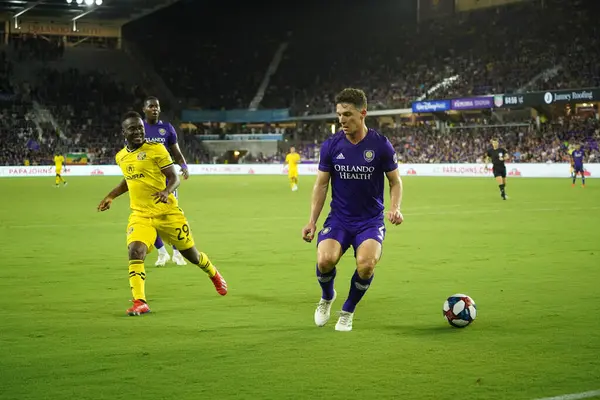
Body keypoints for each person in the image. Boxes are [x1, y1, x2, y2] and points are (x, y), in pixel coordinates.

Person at [97, 111, 227, 316]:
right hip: (141, 215)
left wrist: (167, 191)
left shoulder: (156, 149)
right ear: (124, 132)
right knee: (135, 251)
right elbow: (128, 181)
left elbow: (173, 177)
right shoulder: (121, 156)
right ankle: (140, 301)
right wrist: (111, 196)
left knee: (191, 255)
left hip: (168, 213)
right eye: (133, 128)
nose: (138, 131)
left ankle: (213, 273)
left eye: (140, 127)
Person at [301, 88, 403, 332]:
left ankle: (347, 311)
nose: (342, 120)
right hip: (339, 219)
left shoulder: (381, 145)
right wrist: (312, 222)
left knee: (366, 265)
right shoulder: (331, 146)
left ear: (363, 113)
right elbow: (321, 184)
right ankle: (327, 298)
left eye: (347, 114)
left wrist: (395, 208)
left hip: (370, 221)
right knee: (325, 260)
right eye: (339, 115)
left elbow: (395, 181)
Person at [142, 96, 190, 266]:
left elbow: (176, 152)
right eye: (151, 106)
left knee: (171, 216)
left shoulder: (167, 128)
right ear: (144, 109)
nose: (154, 109)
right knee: (149, 218)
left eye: (157, 106)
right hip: (147, 181)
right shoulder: (139, 129)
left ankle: (177, 253)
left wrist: (183, 165)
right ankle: (162, 253)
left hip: (167, 179)